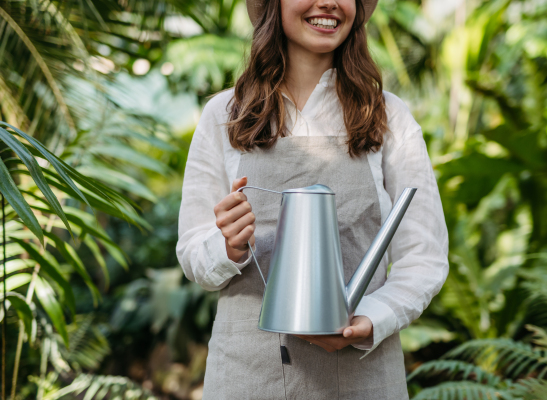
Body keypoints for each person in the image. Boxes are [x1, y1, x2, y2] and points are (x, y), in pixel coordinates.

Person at [176, 0, 449, 398]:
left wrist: (369, 320)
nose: (328, 3)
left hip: (362, 376)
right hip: (247, 375)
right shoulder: (224, 115)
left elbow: (424, 256)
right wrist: (229, 246)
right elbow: (192, 251)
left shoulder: (389, 116)